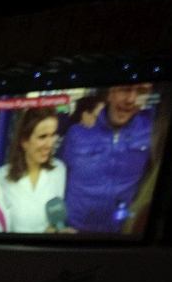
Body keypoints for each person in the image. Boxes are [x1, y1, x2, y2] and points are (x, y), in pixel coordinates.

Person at [60, 82, 157, 234]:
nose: (131, 99)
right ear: (111, 92)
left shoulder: (152, 131)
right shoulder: (77, 133)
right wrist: (60, 227)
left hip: (121, 236)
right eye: (125, 88)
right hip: (75, 234)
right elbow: (57, 181)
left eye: (141, 91)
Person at [0, 108, 67, 234]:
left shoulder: (59, 170)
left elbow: (57, 219)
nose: (50, 144)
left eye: (53, 134)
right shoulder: (2, 177)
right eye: (42, 136)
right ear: (24, 141)